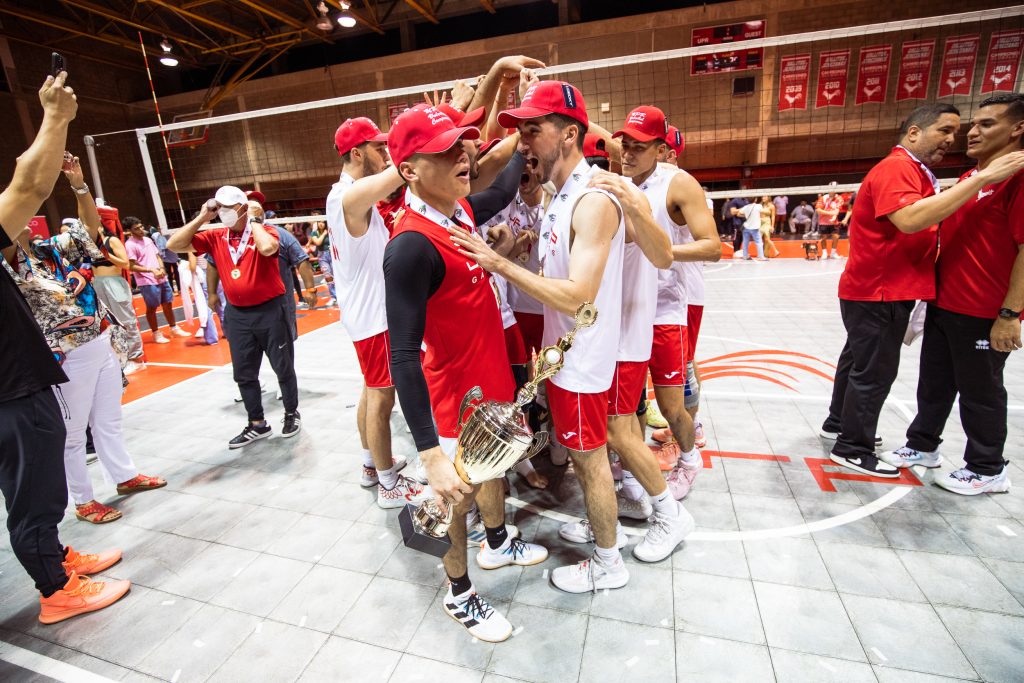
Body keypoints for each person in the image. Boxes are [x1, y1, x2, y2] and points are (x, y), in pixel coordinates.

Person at [455, 80, 636, 593]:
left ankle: (608, 563)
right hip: (566, 357)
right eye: (521, 130)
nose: (523, 141)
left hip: (583, 361)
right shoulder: (561, 195)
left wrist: (496, 265)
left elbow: (579, 296)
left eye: (533, 129)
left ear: (571, 134)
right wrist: (511, 249)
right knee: (582, 455)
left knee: (589, 459)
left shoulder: (591, 199)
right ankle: (606, 535)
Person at [384, 104, 547, 642]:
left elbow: (499, 194)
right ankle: (459, 593)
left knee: (494, 469)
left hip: (490, 380)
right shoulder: (410, 245)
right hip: (454, 397)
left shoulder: (456, 213)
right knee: (458, 499)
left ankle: (498, 542)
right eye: (447, 150)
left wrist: (521, 147)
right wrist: (429, 453)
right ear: (409, 170)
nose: (464, 155)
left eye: (463, 145)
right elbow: (402, 354)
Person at [822, 103, 1024, 477]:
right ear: (914, 132)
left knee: (864, 364)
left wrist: (1011, 313)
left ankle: (844, 425)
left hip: (934, 298)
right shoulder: (903, 168)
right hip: (886, 291)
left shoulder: (941, 173)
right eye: (945, 130)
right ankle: (852, 445)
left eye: (960, 130)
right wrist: (978, 180)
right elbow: (911, 220)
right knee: (876, 372)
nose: (957, 138)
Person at [0, 70, 128, 624]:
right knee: (35, 492)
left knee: (42, 481)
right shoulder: (20, 249)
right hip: (13, 389)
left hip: (28, 380)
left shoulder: (56, 244)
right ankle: (55, 588)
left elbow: (54, 207)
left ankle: (56, 559)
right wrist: (55, 116)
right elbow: (27, 185)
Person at [549, 105, 695, 562]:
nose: (626, 151)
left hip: (627, 336)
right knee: (617, 430)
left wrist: (635, 205)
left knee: (619, 431)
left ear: (661, 148)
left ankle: (670, 515)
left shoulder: (633, 194)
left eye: (639, 144)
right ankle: (620, 507)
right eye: (623, 142)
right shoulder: (600, 185)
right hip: (609, 338)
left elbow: (664, 255)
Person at [881, 93, 1024, 494]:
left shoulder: (1018, 179)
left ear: (1017, 129)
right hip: (945, 302)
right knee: (934, 383)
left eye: (986, 124)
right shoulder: (971, 177)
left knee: (981, 391)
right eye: (973, 125)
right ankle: (922, 446)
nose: (972, 132)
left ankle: (987, 467)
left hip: (984, 309)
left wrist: (1010, 314)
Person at [326, 116, 424, 506]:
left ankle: (371, 465)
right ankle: (388, 484)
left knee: (371, 392)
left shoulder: (344, 195)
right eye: (379, 148)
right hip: (374, 318)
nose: (385, 154)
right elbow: (400, 173)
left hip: (363, 312)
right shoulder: (349, 196)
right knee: (383, 399)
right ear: (356, 153)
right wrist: (420, 138)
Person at [167, 186, 302, 447]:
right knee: (243, 373)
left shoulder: (267, 232)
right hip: (238, 315)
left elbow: (267, 248)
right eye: (221, 209)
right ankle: (257, 424)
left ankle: (290, 413)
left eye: (230, 208)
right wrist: (202, 218)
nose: (224, 214)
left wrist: (253, 222)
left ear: (242, 208)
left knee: (283, 367)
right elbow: (175, 245)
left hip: (270, 311)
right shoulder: (217, 236)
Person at [88, 205, 144, 372]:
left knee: (126, 321)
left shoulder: (112, 241)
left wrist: (107, 255)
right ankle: (120, 358)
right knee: (108, 324)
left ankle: (137, 358)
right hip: (98, 283)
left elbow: (126, 264)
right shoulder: (90, 244)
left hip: (114, 282)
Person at [124, 216, 189, 344]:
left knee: (168, 303)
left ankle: (173, 328)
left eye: (141, 226)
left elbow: (157, 256)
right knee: (152, 307)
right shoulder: (130, 245)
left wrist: (161, 268)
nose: (141, 230)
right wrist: (151, 270)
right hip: (147, 281)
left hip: (161, 277)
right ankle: (155, 333)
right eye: (136, 229)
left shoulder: (148, 240)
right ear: (129, 231)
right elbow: (131, 266)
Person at [815, 183, 843, 259]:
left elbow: (837, 209)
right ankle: (824, 253)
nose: (832, 190)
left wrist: (834, 217)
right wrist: (830, 213)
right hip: (823, 222)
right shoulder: (823, 198)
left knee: (836, 236)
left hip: (834, 222)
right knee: (823, 237)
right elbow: (818, 210)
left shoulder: (839, 198)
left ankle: (833, 253)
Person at [151, 226, 181, 293]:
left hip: (173, 256)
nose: (160, 229)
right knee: (169, 274)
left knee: (177, 273)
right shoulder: (156, 236)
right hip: (165, 258)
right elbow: (160, 246)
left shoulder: (169, 235)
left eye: (161, 228)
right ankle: (172, 290)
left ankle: (179, 289)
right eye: (159, 228)